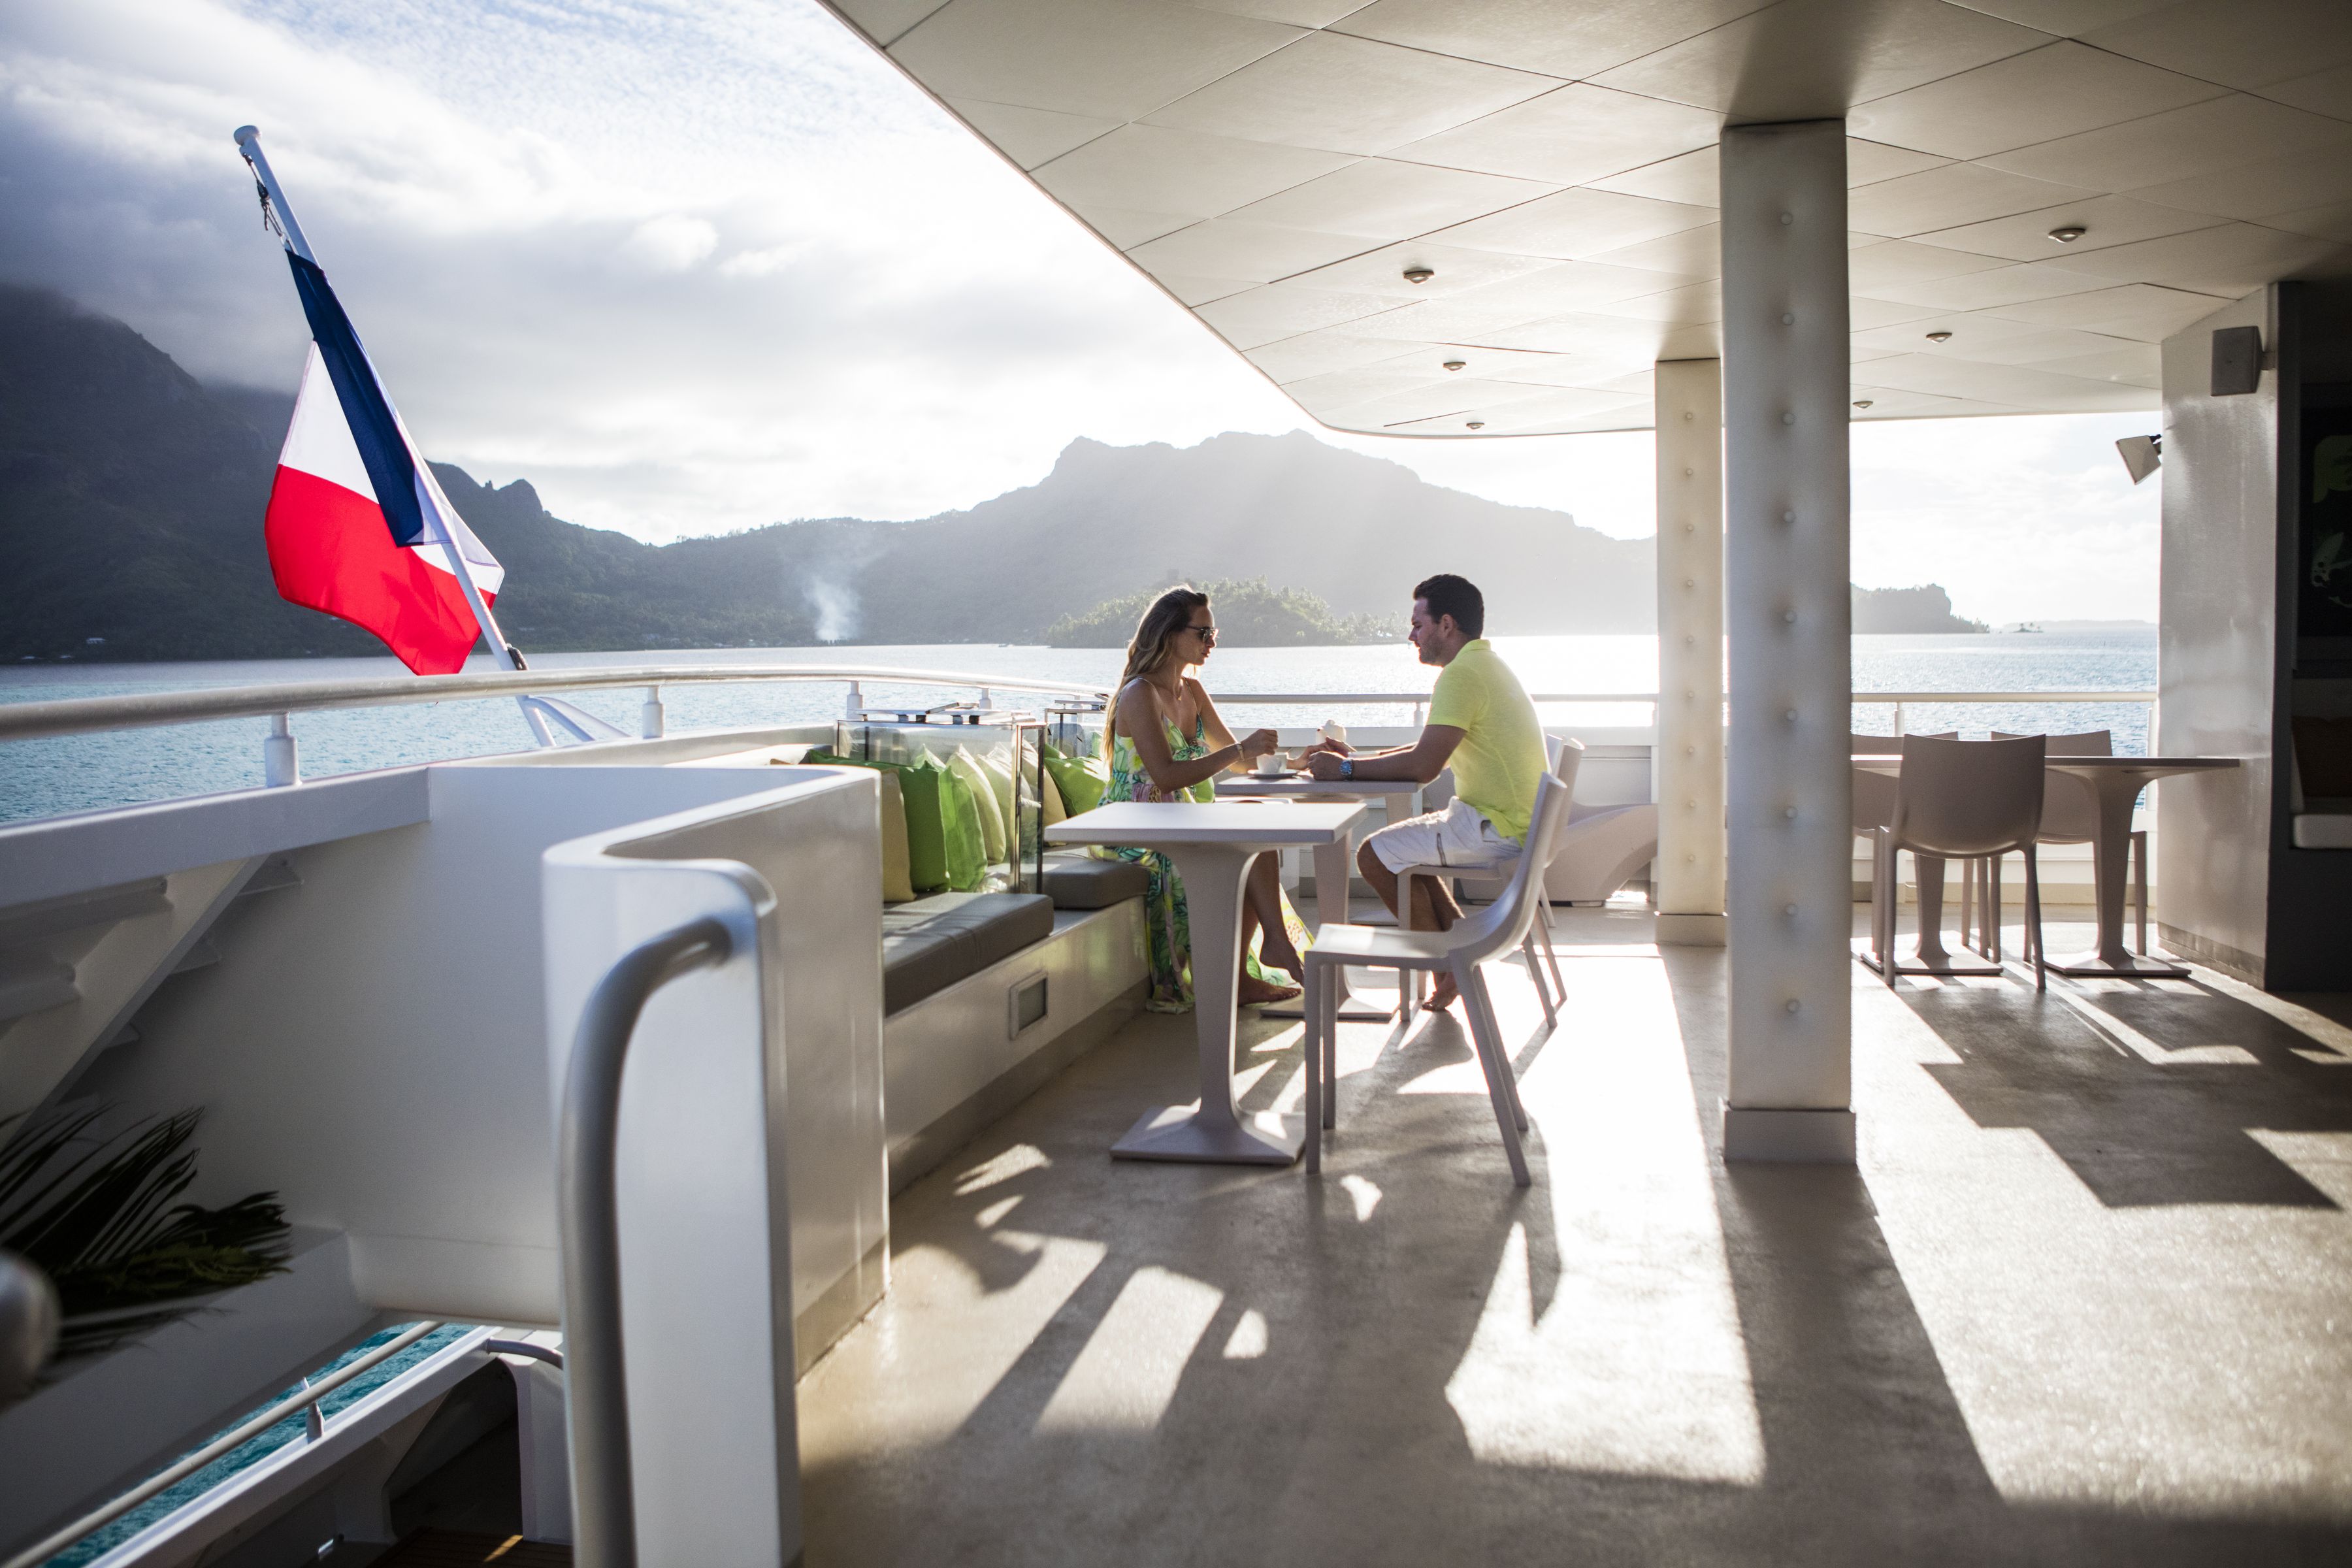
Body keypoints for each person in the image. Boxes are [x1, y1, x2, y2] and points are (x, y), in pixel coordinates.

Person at [1303, 573, 1546, 1011]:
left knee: (1373, 856)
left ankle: (1448, 968)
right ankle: (1456, 963)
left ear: (1446, 625)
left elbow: (1424, 766)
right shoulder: (1485, 666)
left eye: (1418, 624)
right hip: (1512, 821)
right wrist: (1359, 759)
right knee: (1404, 855)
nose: (1411, 635)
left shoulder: (1461, 676)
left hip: (1497, 827)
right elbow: (1429, 751)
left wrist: (1345, 770)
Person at [1097, 586, 1312, 1013]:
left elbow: (1239, 762)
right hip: (1137, 828)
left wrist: (1298, 761)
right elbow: (1166, 776)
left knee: (1255, 822)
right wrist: (1240, 750)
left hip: (1181, 818)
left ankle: (1261, 954)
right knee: (1238, 846)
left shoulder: (1193, 692)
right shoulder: (1139, 694)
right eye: (1203, 633)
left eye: (1214, 634)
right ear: (1169, 633)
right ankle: (1250, 966)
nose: (1211, 643)